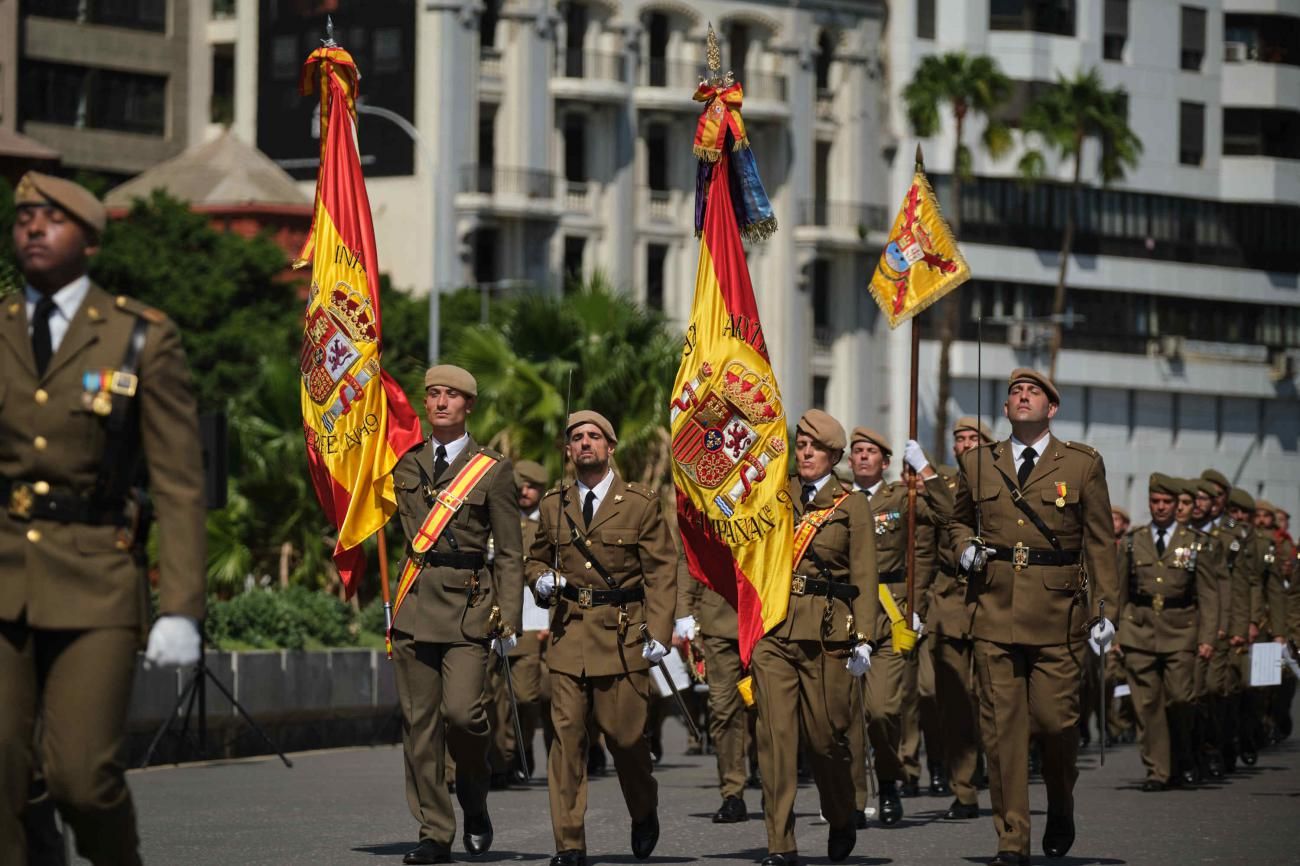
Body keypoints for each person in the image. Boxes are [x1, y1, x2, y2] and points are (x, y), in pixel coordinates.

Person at [1, 172, 206, 865]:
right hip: (2, 571)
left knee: (81, 778)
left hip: (94, 577)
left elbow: (178, 483)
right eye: (23, 216)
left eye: (51, 219)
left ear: (87, 240)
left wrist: (181, 606)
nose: (32, 227)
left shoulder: (138, 337)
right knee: (2, 775)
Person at [950, 369, 1118, 866]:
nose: (1023, 397)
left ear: (1051, 409)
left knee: (1057, 723)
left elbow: (1101, 542)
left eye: (1034, 393)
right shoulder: (979, 461)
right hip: (994, 609)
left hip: (1057, 613)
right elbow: (958, 519)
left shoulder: (1083, 464)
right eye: (1015, 393)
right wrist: (963, 549)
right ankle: (1012, 837)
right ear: (1004, 410)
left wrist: (1104, 611)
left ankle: (1061, 801)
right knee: (1003, 732)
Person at [526, 411, 677, 866]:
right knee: (566, 741)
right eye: (576, 438)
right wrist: (541, 580)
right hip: (570, 635)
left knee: (627, 740)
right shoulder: (554, 503)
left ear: (611, 447)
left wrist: (661, 631)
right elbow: (534, 559)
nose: (585, 443)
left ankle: (643, 808)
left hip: (622, 634)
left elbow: (661, 570)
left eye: (594, 436)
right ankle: (569, 843)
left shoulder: (639, 502)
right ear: (568, 450)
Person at [389, 365, 523, 865]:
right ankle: (434, 832)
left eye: (452, 396)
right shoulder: (405, 464)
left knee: (464, 716)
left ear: (469, 405)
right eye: (433, 395)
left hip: (468, 608)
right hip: (414, 604)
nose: (440, 402)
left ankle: (474, 790)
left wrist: (507, 615)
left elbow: (509, 552)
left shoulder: (492, 469)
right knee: (418, 725)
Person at [751, 410, 877, 866]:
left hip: (827, 633)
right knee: (776, 741)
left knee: (826, 741)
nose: (805, 453)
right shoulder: (773, 496)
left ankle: (841, 813)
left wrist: (865, 636)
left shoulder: (850, 505)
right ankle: (780, 843)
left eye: (815, 448)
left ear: (834, 456)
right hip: (774, 632)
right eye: (801, 445)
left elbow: (863, 572)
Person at [845, 426, 948, 826]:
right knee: (845, 717)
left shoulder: (900, 498)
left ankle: (887, 780)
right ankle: (853, 799)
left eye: (872, 452)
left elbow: (946, 511)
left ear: (886, 462)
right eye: (858, 451)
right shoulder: (836, 498)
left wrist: (925, 471)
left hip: (888, 612)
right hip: (844, 608)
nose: (864, 457)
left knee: (883, 711)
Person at [1116, 473, 1218, 790]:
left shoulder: (1196, 544)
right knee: (1147, 705)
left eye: (1166, 502)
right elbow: (1118, 590)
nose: (1160, 508)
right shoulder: (1134, 541)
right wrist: (1114, 633)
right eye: (1155, 502)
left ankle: (1184, 756)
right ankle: (1158, 770)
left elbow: (1209, 594)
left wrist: (1207, 638)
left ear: (1177, 505)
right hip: (1140, 630)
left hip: (1181, 631)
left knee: (1180, 700)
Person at [927, 416, 994, 821]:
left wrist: (923, 472)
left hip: (992, 599)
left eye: (974, 438)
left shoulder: (1002, 483)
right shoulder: (946, 486)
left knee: (994, 700)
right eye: (959, 439)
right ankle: (964, 789)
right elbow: (938, 524)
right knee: (953, 703)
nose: (965, 444)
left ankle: (996, 768)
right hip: (951, 600)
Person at [486, 459, 551, 785]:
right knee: (496, 699)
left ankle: (522, 747)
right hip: (495, 618)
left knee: (526, 697)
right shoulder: (494, 518)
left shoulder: (550, 524)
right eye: (520, 486)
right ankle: (503, 761)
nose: (525, 492)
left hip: (534, 619)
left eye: (532, 487)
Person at [675, 564, 753, 823]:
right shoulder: (704, 519)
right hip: (717, 616)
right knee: (723, 710)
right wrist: (685, 612)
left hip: (763, 613)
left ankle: (773, 787)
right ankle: (732, 793)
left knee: (768, 707)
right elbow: (689, 555)